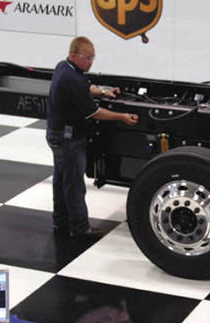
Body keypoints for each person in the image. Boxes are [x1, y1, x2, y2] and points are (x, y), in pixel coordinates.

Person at [47, 36, 139, 238]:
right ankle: (80, 228)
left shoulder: (64, 67)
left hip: (57, 133)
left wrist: (104, 92)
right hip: (68, 138)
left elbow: (85, 89)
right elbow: (94, 112)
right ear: (74, 55)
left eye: (92, 58)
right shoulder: (72, 78)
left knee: (61, 180)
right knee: (74, 186)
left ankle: (60, 222)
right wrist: (121, 116)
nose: (90, 62)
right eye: (87, 58)